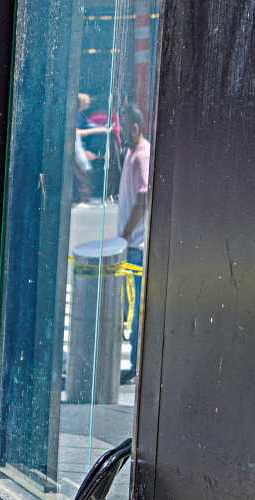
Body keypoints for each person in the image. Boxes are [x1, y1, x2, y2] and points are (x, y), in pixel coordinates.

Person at [118, 104, 149, 385]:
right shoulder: (131, 154)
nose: (119, 132)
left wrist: (126, 234)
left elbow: (143, 199)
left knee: (135, 305)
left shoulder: (141, 156)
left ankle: (136, 364)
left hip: (136, 246)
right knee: (131, 305)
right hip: (132, 243)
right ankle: (134, 363)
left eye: (123, 126)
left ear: (135, 127)